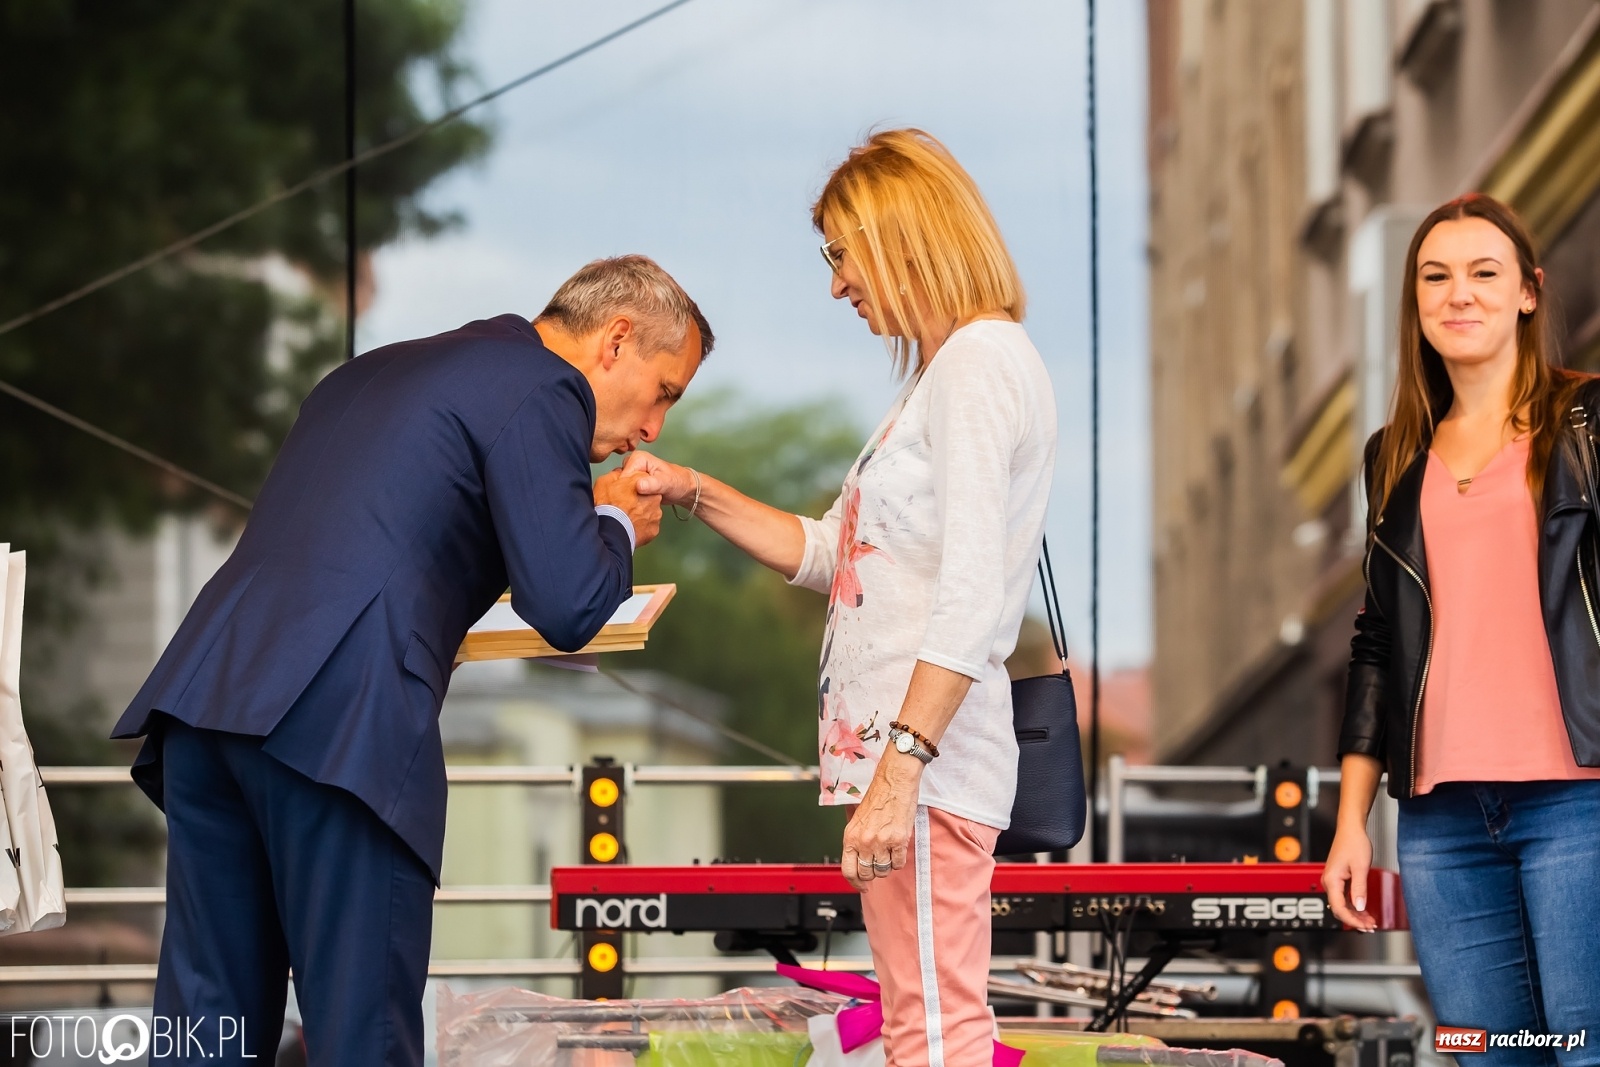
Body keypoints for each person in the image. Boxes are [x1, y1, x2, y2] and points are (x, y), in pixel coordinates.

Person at [111, 255, 712, 1066]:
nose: (653, 428)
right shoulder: (543, 386)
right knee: (362, 1033)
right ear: (615, 340)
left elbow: (369, 552)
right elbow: (569, 605)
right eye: (665, 391)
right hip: (337, 724)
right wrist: (609, 525)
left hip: (211, 698)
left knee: (207, 1027)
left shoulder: (366, 375)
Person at [627, 129, 1055, 1067]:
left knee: (937, 1032)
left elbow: (975, 590)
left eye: (840, 254)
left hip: (928, 767)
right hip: (914, 764)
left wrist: (899, 775)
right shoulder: (942, 378)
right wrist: (692, 487)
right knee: (918, 1027)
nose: (836, 284)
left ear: (901, 235)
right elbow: (836, 554)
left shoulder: (980, 364)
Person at [1322, 194, 1600, 1057]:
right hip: (1441, 815)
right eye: (1435, 276)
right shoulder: (1395, 453)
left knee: (1583, 1045)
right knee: (1490, 1050)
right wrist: (1350, 820)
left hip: (1578, 799)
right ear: (1415, 301)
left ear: (1527, 291)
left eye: (1485, 273)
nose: (1459, 294)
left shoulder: (1588, 424)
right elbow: (1377, 640)